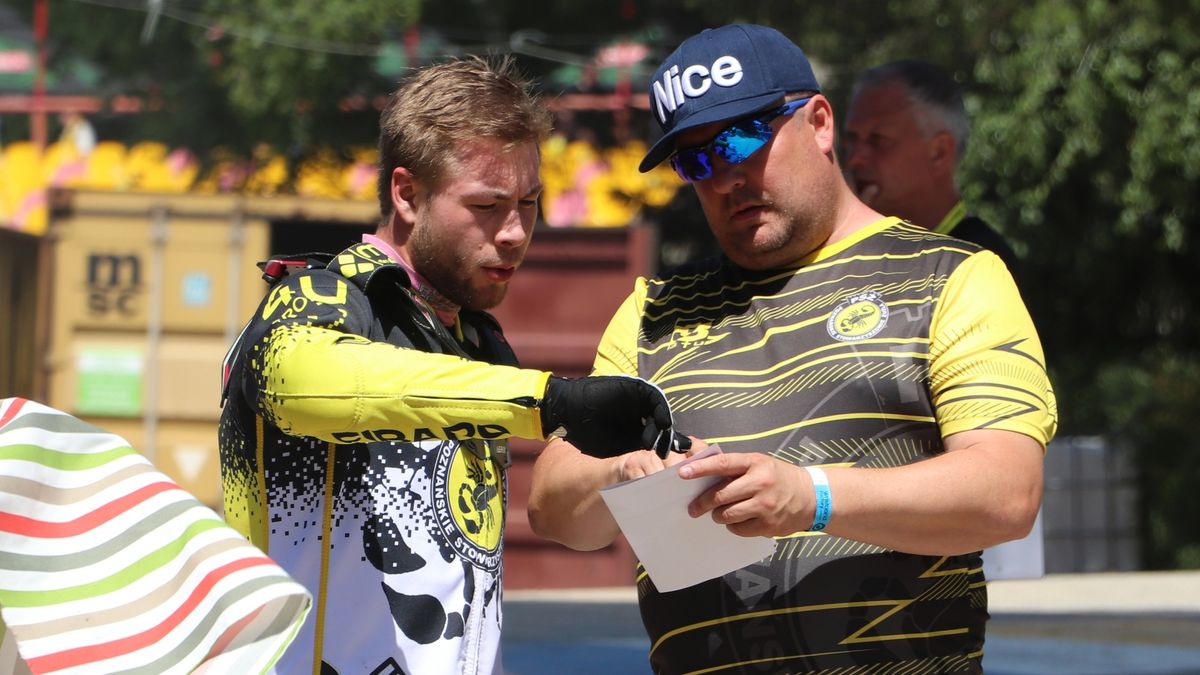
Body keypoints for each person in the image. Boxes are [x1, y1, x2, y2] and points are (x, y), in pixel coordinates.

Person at [527, 24, 1057, 674]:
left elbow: (1007, 493)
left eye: (742, 139)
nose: (726, 177)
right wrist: (620, 475)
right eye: (696, 162)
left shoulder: (952, 275)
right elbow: (552, 507)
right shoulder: (651, 312)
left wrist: (812, 497)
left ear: (820, 123)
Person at [218, 56, 683, 675]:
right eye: (487, 205)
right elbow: (296, 381)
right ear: (407, 194)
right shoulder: (320, 298)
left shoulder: (474, 339)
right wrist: (549, 402)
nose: (515, 232)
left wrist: (645, 472)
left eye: (529, 202)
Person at [843, 59, 1019, 272]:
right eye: (851, 139)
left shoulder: (981, 265)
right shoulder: (849, 254)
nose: (855, 158)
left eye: (878, 140)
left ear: (939, 153)